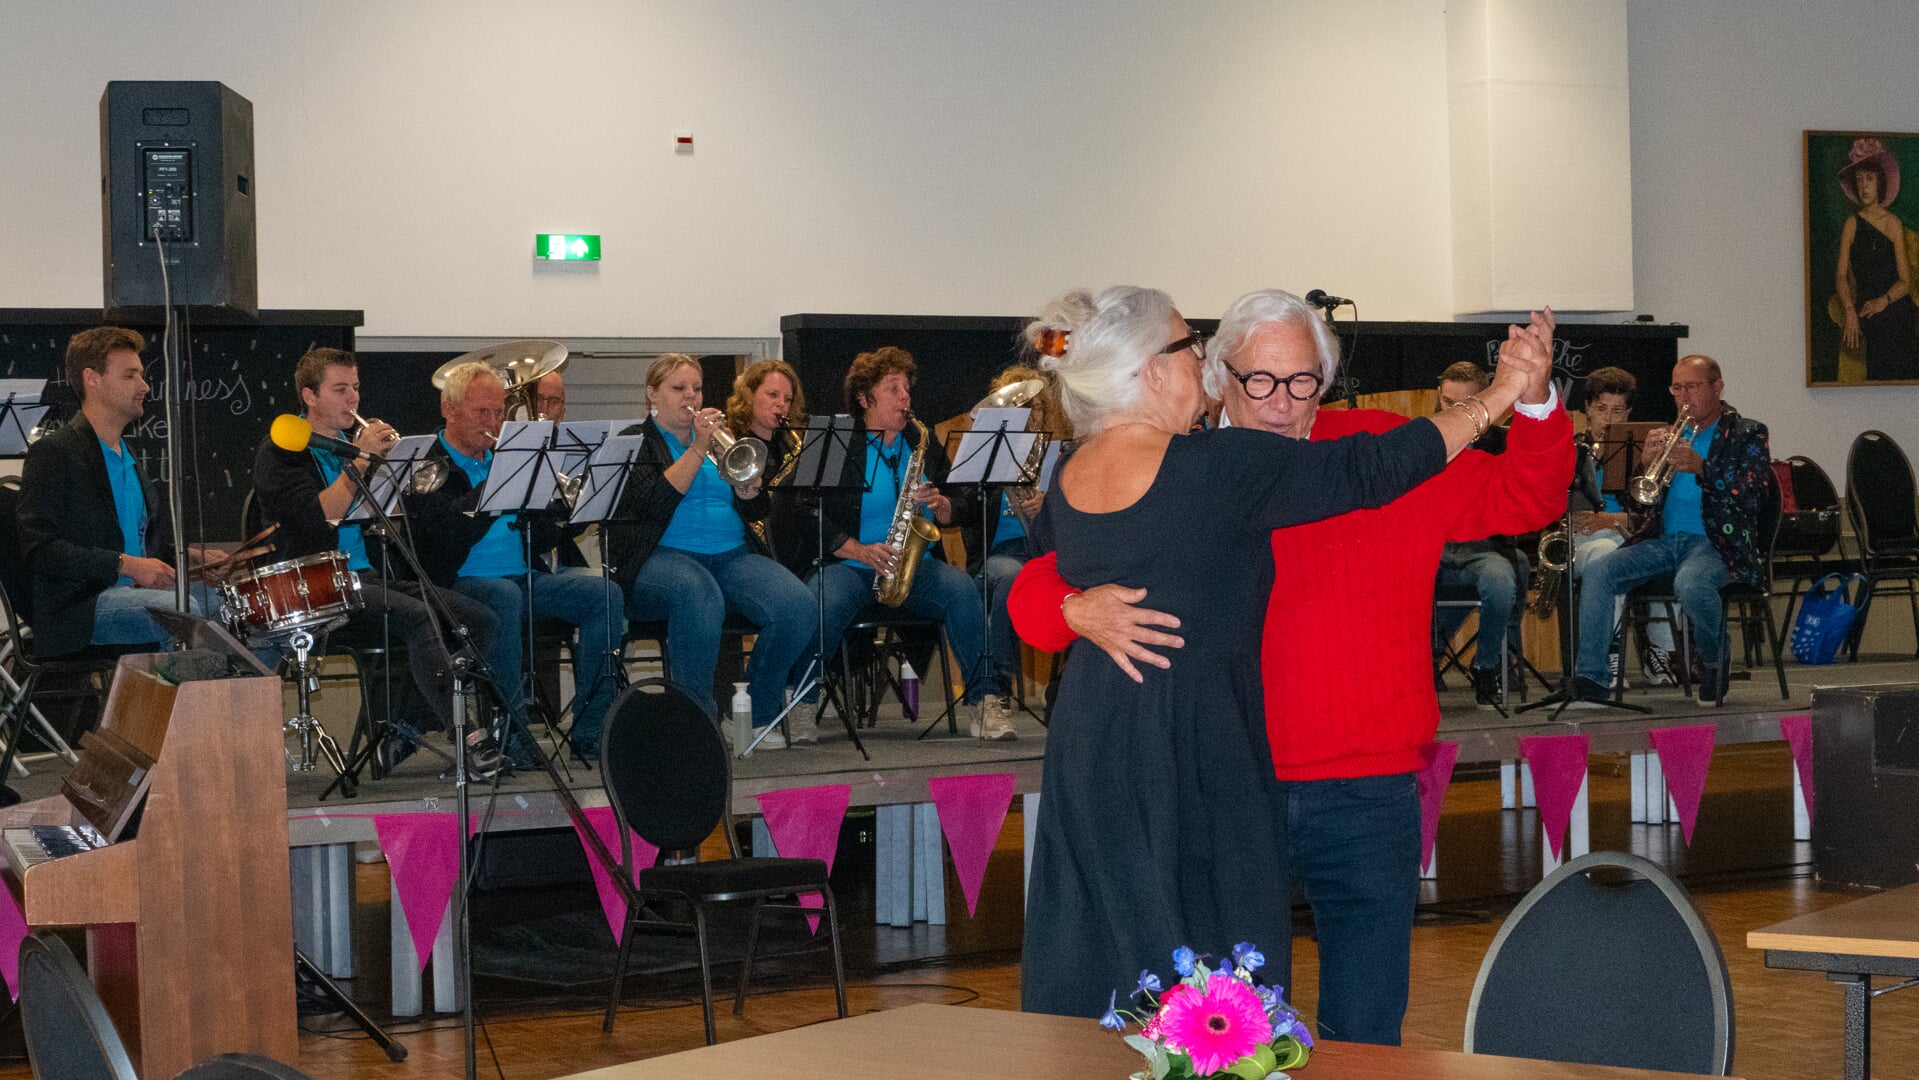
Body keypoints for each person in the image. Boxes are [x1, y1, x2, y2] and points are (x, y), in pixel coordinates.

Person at [1008, 288, 1567, 1039]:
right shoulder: (1193, 464)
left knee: (1360, 1023)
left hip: (1359, 787)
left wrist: (1528, 402)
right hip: (1223, 780)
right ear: (1215, 377)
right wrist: (1071, 610)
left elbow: (1524, 496)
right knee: (1217, 1009)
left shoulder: (1380, 444)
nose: (1280, 401)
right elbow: (1042, 572)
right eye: (1257, 380)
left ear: (1325, 379)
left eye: (1301, 380)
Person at [251, 347, 507, 776]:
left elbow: (382, 518)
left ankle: (406, 725)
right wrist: (361, 464)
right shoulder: (283, 449)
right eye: (340, 389)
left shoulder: (347, 446)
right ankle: (467, 739)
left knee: (478, 620)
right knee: (420, 617)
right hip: (313, 583)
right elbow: (317, 523)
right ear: (309, 396)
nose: (353, 399)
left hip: (364, 576)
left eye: (355, 388)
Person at [403, 361, 624, 762]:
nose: (492, 422)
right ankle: (514, 730)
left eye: (498, 412)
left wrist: (554, 507)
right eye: (480, 412)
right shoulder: (424, 464)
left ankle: (593, 728)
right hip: (457, 584)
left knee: (603, 594)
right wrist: (492, 492)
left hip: (524, 577)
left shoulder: (511, 455)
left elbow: (541, 539)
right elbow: (434, 546)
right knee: (504, 596)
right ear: (448, 409)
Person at [602, 354, 816, 747]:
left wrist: (749, 491)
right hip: (661, 559)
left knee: (798, 606)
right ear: (652, 393)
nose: (691, 397)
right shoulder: (637, 441)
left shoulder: (723, 440)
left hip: (731, 554)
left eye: (697, 388)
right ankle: (695, 723)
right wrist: (698, 448)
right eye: (678, 388)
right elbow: (653, 503)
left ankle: (753, 711)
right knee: (697, 595)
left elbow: (756, 510)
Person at [791, 346, 997, 740]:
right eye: (893, 388)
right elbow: (803, 510)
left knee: (961, 590)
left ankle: (984, 702)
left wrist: (943, 505)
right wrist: (856, 549)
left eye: (907, 389)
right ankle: (802, 701)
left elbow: (964, 503)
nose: (905, 397)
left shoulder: (921, 441)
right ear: (865, 398)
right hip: (851, 564)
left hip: (910, 566)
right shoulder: (835, 439)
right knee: (819, 602)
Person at [1570, 354, 1771, 707]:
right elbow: (1638, 505)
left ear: (1717, 387)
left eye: (1692, 387)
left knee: (1690, 584)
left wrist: (1701, 468)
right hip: (1663, 542)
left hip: (1717, 544)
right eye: (1677, 388)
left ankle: (1713, 660)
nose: (1683, 396)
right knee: (1600, 571)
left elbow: (1753, 495)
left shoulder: (1746, 433)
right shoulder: (1667, 434)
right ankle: (1592, 679)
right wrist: (1645, 465)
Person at [17, 327, 229, 656]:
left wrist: (192, 557)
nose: (144, 386)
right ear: (92, 379)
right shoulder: (54, 452)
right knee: (179, 606)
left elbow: (141, 546)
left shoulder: (128, 457)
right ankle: (174, 704)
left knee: (223, 603)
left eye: (142, 376)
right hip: (80, 607)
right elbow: (40, 549)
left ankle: (218, 702)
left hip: (132, 593)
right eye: (130, 375)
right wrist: (126, 566)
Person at [964, 365, 1068, 731]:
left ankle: (1069, 692)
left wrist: (1052, 502)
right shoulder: (988, 457)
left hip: (1047, 554)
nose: (1031, 415)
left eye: (1037, 407)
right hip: (1000, 556)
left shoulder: (1059, 458)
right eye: (1023, 408)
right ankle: (997, 689)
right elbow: (963, 508)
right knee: (1011, 580)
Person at [1429, 362, 1530, 707]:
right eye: (1447, 403)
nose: (1455, 412)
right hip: (1434, 548)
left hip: (1483, 548)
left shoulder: (1504, 444)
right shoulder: (1425, 439)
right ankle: (1420, 663)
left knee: (1501, 583)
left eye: (1464, 404)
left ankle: (1487, 668)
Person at [1836, 137, 1919, 382]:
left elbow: (1905, 281)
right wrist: (1850, 310)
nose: (1864, 186)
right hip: (1865, 310)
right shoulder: (1851, 225)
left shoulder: (1893, 224)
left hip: (1895, 306)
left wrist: (1885, 300)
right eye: (1859, 179)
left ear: (1880, 183)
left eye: (1870, 179)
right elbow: (1841, 275)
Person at [724, 358, 811, 573]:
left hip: (789, 549)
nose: (781, 404)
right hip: (746, 549)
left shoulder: (793, 445)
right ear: (749, 395)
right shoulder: (731, 442)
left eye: (787, 399)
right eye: (772, 395)